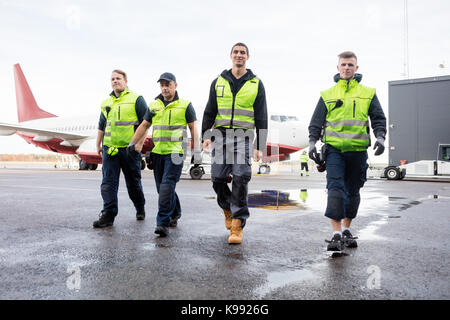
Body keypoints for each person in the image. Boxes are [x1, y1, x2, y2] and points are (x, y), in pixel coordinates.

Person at [308, 51, 387, 251]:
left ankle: (346, 229)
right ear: (338, 68)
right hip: (334, 150)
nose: (346, 68)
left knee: (353, 192)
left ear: (356, 68)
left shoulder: (368, 93)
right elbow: (316, 122)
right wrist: (311, 143)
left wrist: (380, 137)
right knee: (335, 189)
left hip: (359, 150)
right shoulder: (327, 94)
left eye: (350, 65)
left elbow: (378, 118)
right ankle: (335, 234)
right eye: (343, 64)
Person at [202, 42, 268, 244]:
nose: (239, 55)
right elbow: (210, 110)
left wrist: (260, 145)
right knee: (217, 178)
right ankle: (228, 209)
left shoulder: (256, 83)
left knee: (241, 177)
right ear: (230, 55)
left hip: (244, 137)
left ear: (248, 57)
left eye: (243, 52)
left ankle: (237, 225)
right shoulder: (218, 81)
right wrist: (205, 135)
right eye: (236, 52)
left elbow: (262, 115)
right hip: (220, 137)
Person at [129, 72, 200, 237]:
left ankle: (163, 223)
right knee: (162, 189)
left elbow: (193, 129)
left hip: (176, 153)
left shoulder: (185, 105)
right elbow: (144, 125)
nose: (164, 88)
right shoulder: (154, 105)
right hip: (158, 153)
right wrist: (132, 143)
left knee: (167, 186)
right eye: (162, 85)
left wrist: (196, 151)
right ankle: (175, 212)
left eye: (168, 84)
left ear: (175, 85)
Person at [93, 69, 147, 228]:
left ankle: (140, 207)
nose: (115, 81)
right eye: (112, 79)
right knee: (108, 183)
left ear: (126, 81)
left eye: (118, 78)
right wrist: (98, 144)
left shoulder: (137, 99)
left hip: (129, 150)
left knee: (133, 184)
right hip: (110, 150)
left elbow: (146, 123)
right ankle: (108, 214)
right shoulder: (106, 103)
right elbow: (101, 125)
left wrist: (139, 144)